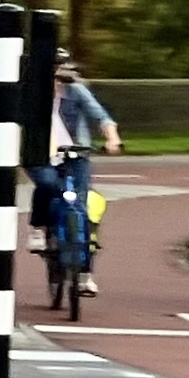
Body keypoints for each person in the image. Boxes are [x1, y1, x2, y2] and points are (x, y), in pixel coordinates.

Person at [27, 56, 123, 293]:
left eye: (62, 67)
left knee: (82, 210)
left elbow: (100, 116)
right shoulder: (32, 92)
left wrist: (112, 138)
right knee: (48, 185)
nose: (60, 73)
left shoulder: (76, 91)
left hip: (75, 154)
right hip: (42, 155)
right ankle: (38, 227)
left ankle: (85, 275)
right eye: (55, 68)